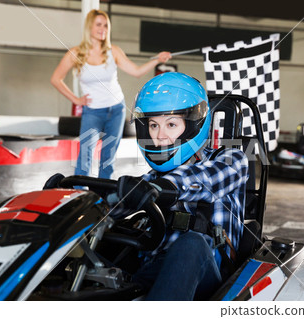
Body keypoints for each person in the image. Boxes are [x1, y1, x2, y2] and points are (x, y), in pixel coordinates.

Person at [114, 72, 249, 300]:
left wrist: (161, 187)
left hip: (208, 276)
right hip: (152, 271)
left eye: (171, 124)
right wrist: (82, 198)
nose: (160, 137)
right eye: (153, 125)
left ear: (195, 125)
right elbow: (116, 203)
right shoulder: (152, 178)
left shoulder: (231, 160)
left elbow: (199, 179)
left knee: (192, 244)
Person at [50, 9, 172, 178]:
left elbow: (136, 71)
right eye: (99, 24)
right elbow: (56, 79)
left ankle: (103, 194)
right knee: (85, 153)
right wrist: (76, 100)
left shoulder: (113, 51)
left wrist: (156, 60)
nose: (103, 28)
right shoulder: (76, 53)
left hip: (116, 109)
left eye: (106, 25)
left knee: (108, 156)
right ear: (89, 27)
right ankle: (79, 191)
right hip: (92, 111)